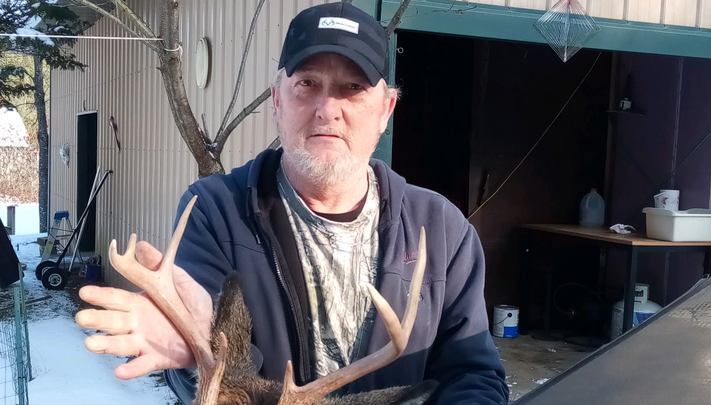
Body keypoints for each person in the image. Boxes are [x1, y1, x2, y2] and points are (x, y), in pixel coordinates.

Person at [75, 2, 509, 404]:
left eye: (353, 88)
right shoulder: (215, 211)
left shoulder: (441, 229)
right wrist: (204, 342)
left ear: (385, 111)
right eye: (307, 84)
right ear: (277, 101)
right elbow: (203, 374)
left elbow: (472, 374)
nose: (327, 109)